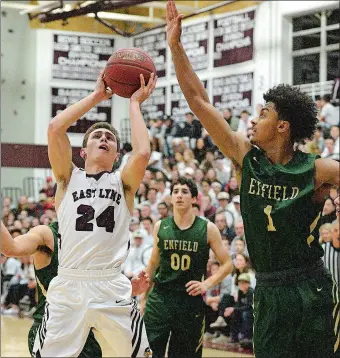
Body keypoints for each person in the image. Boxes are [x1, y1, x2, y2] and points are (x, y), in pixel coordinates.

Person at [166, 1, 339, 356]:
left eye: (263, 113)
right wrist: (176, 47)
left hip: (311, 285)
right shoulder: (244, 155)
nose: (253, 119)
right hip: (270, 289)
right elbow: (199, 101)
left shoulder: (316, 169)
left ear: (282, 126)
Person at [31, 71, 156, 357]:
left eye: (110, 138)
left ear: (116, 154)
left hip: (110, 284)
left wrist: (135, 103)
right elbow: (55, 129)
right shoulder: (66, 178)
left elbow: (143, 152)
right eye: (97, 136)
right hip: (69, 284)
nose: (103, 138)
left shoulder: (123, 184)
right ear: (83, 152)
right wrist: (98, 96)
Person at [1, 220, 150, 357]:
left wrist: (126, 291)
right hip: (52, 331)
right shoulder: (46, 234)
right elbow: (11, 248)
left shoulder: (93, 237)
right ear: (56, 200)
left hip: (84, 333)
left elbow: (96, 289)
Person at [141, 177, 233, 358]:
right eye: (175, 192)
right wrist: (143, 298)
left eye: (184, 192)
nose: (179, 195)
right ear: (171, 198)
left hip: (189, 302)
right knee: (149, 353)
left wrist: (206, 284)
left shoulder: (207, 228)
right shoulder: (161, 226)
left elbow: (228, 264)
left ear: (194, 199)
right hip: (161, 298)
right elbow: (153, 263)